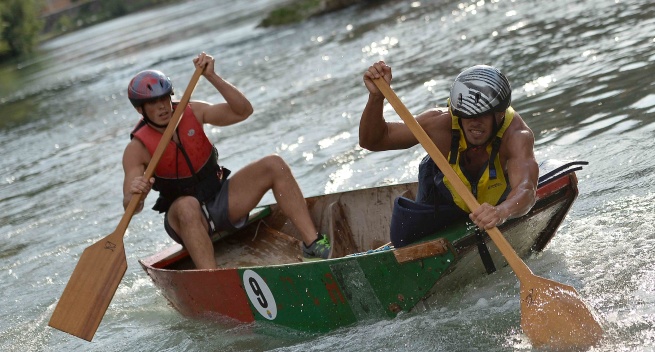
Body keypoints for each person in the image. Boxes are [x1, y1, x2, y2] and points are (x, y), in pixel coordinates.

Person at [122, 52, 330, 268]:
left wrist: (212, 77)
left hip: (221, 201)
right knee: (187, 206)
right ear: (139, 109)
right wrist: (136, 194)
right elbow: (131, 206)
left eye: (164, 98)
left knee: (274, 164)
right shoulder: (136, 149)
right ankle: (211, 277)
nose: (162, 107)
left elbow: (243, 111)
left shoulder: (193, 111)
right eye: (153, 103)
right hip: (184, 219)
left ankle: (312, 244)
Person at [359, 61, 538, 247]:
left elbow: (526, 189)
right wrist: (376, 98)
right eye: (467, 114)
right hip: (443, 193)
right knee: (403, 236)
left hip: (495, 200)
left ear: (500, 114)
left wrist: (501, 212)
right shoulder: (438, 123)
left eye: (483, 114)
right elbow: (373, 141)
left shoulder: (516, 136)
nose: (474, 122)